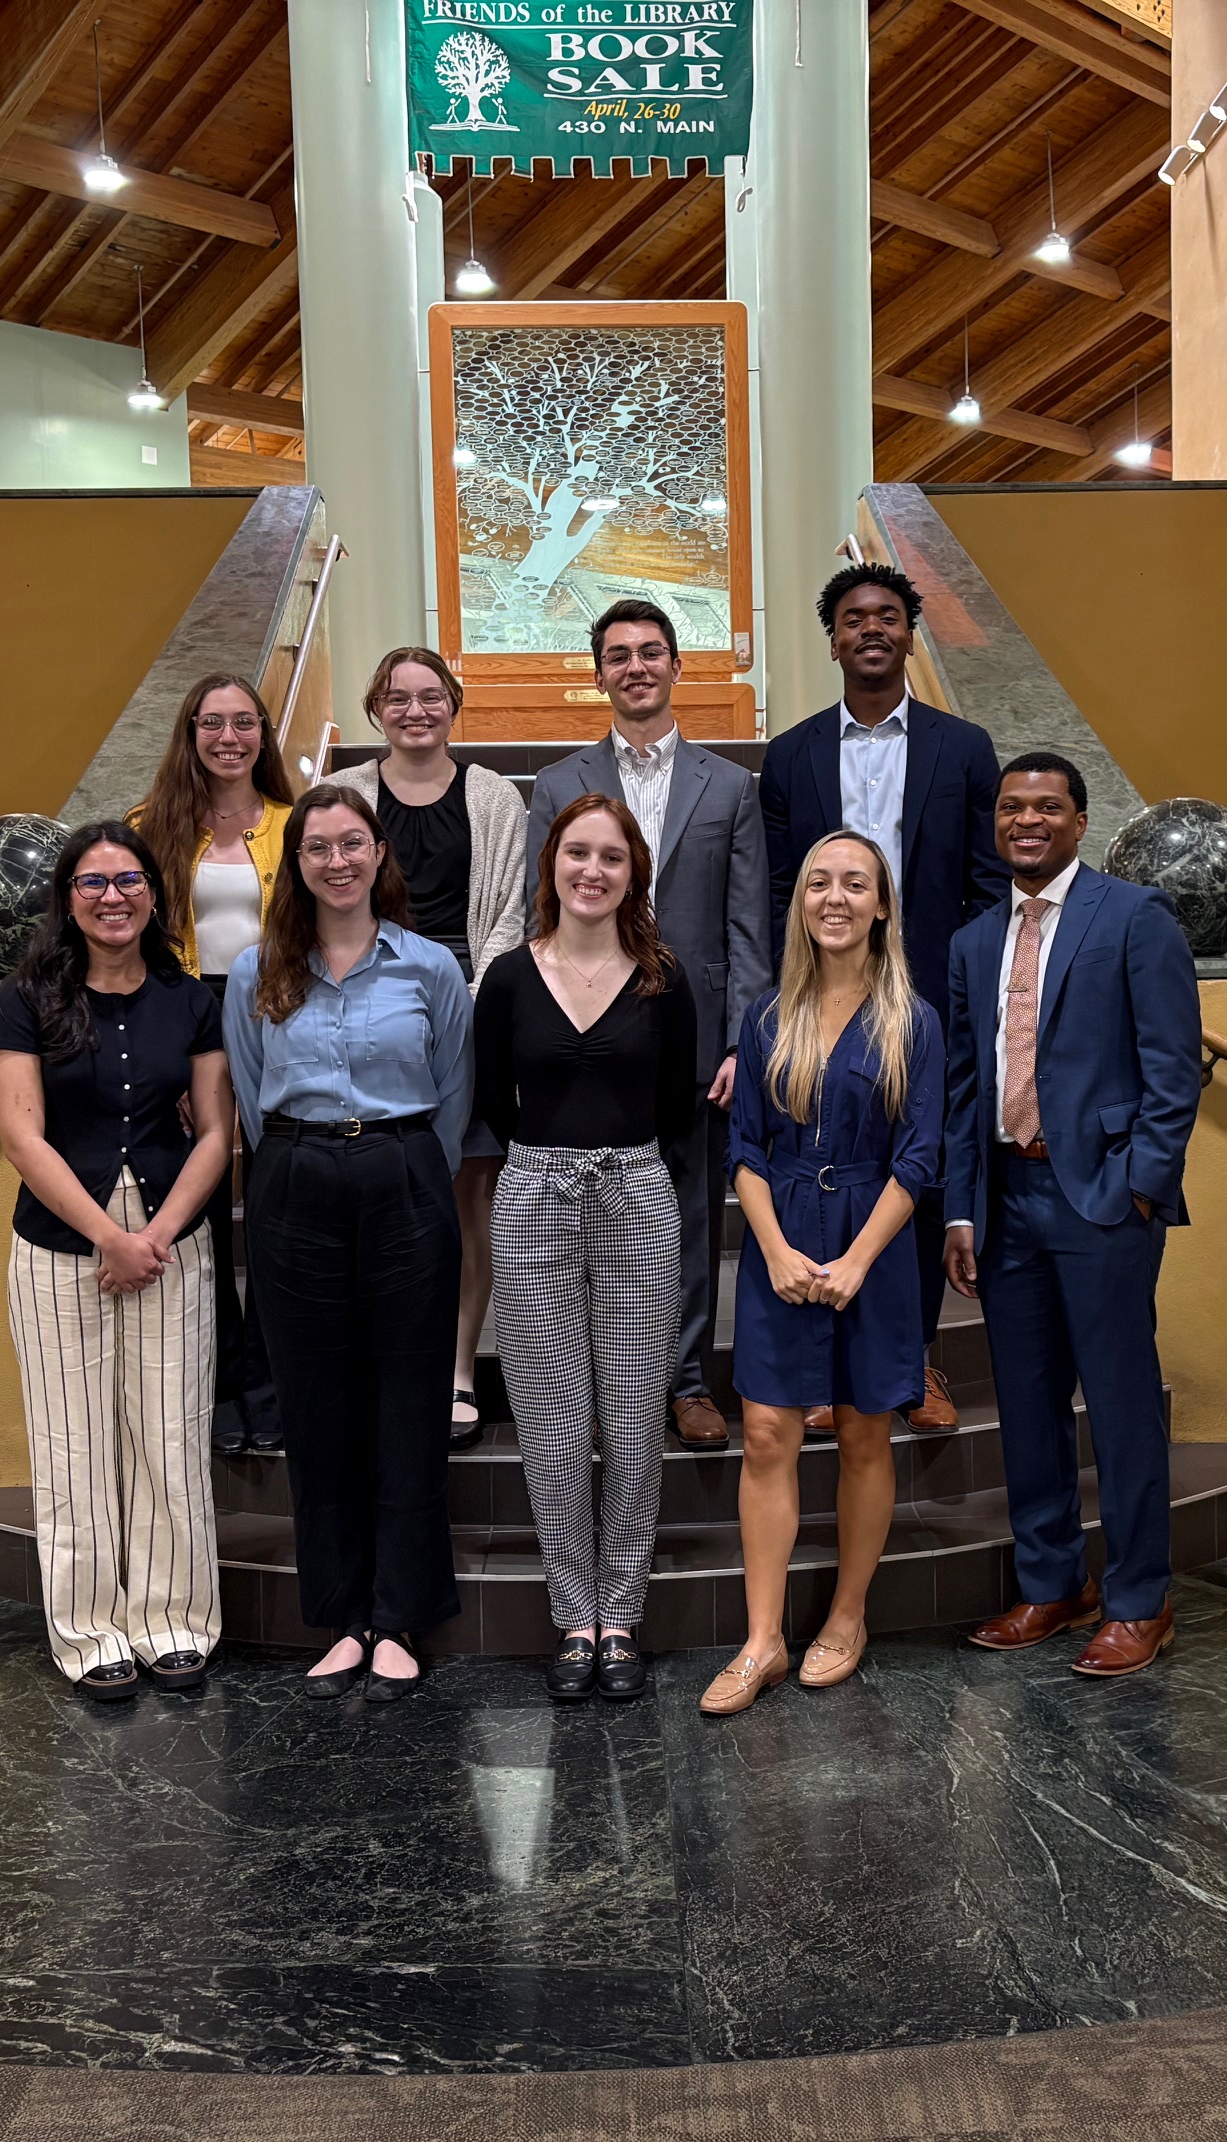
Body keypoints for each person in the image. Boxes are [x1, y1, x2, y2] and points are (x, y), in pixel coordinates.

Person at [944, 753, 1202, 1678]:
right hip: (1005, 1203)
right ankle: (1053, 1584)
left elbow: (1173, 1068)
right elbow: (967, 1089)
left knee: (1124, 1406)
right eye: (1012, 808)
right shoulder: (974, 943)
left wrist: (1140, 1184)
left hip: (1100, 1199)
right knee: (1026, 1404)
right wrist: (960, 1214)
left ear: (1080, 821)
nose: (1026, 821)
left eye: (1047, 807)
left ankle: (1141, 1598)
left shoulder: (1133, 918)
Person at [223, 784, 474, 1701]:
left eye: (352, 843)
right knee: (317, 1405)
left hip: (406, 1176)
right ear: (297, 864)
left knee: (408, 1401)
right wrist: (310, 1160)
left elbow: (454, 1091)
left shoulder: (429, 968)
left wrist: (401, 1168)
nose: (336, 861)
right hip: (295, 1184)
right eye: (317, 847)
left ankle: (401, 1614)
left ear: (378, 855)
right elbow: (250, 1096)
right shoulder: (260, 971)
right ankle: (340, 1616)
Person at [0, 821, 232, 1703]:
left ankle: (175, 1619)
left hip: (172, 1238)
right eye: (92, 883)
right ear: (68, 900)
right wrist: (109, 1237)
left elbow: (217, 1133)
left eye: (128, 880)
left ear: (155, 896)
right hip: (62, 1244)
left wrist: (155, 1234)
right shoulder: (25, 998)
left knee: (167, 1433)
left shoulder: (190, 999)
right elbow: (20, 1134)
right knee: (72, 1442)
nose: (112, 896)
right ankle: (90, 1628)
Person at [758, 562, 1007, 1436]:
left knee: (919, 1176)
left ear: (910, 634)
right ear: (832, 640)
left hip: (927, 995)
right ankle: (824, 1370)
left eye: (889, 617)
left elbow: (987, 886)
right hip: (819, 993)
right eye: (854, 618)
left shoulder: (964, 747)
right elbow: (779, 888)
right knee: (822, 1172)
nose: (872, 629)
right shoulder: (788, 756)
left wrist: (971, 1001)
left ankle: (917, 1363)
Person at [703, 832, 943, 1716]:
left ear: (882, 906)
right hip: (783, 1235)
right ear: (799, 903)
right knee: (766, 1433)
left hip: (869, 1246)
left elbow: (918, 1158)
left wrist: (855, 1261)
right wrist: (770, 1249)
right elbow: (747, 1147)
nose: (834, 897)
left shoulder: (911, 1019)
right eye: (817, 883)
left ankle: (846, 1617)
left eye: (855, 883)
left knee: (864, 1433)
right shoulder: (769, 1014)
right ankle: (763, 1639)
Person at [523, 598, 771, 1453]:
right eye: (619, 654)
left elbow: (748, 929)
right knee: (584, 1219)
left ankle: (687, 1381)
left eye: (652, 652)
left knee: (692, 1211)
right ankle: (596, 1385)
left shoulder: (731, 786)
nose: (636, 666)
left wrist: (742, 1038)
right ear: (599, 673)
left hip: (695, 1037)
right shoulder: (558, 785)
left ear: (677, 667)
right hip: (588, 1031)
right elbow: (540, 916)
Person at [476, 794, 699, 1704]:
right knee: (554, 1417)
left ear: (632, 873)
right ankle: (575, 1616)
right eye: (577, 854)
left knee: (636, 1416)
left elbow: (679, 1107)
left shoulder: (665, 978)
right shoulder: (507, 978)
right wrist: (552, 1161)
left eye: (611, 857)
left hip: (638, 1196)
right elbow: (494, 1098)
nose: (593, 871)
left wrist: (616, 1164)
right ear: (552, 865)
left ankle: (623, 1612)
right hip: (534, 1195)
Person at [331, 648, 528, 1454]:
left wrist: (462, 1008)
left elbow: (513, 911)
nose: (416, 711)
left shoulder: (494, 797)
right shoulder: (344, 796)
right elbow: (325, 900)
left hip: (470, 1003)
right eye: (398, 698)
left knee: (465, 1197)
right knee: (375, 1189)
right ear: (377, 708)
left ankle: (455, 1371)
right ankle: (384, 1364)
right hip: (368, 1003)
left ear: (454, 703)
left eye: (431, 697)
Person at [129, 670, 293, 1458]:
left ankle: (270, 1389)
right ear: (189, 734)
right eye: (212, 723)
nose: (229, 737)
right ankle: (221, 1390)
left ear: (263, 733)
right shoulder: (148, 827)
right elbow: (138, 945)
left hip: (273, 1022)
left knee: (268, 1215)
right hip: (188, 1021)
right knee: (197, 1219)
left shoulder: (297, 827)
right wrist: (188, 1063)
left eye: (243, 722)